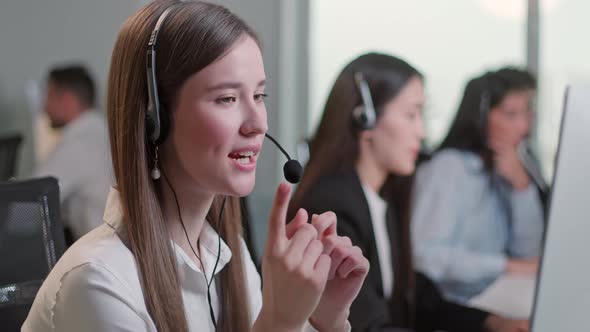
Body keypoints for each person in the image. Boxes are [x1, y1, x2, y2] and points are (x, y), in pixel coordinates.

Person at [22, 1, 369, 331]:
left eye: (259, 96)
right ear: (154, 119)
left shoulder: (219, 255)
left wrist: (323, 318)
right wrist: (281, 320)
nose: (257, 124)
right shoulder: (98, 281)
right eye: (227, 98)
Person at [290, 53, 528, 332]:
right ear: (365, 120)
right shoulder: (331, 206)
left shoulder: (384, 196)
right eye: (411, 115)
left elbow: (415, 297)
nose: (422, 132)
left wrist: (492, 322)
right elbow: (367, 325)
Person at [411, 68, 545, 304]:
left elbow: (529, 256)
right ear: (481, 116)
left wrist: (521, 188)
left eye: (527, 113)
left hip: (498, 295)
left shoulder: (503, 166)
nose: (523, 127)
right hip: (456, 308)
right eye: (511, 114)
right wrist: (505, 266)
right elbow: (426, 255)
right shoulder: (449, 168)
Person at [34, 64, 112, 241]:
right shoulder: (101, 131)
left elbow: (32, 201)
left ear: (68, 99)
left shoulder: (80, 141)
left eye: (48, 96)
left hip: (101, 253)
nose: (44, 108)